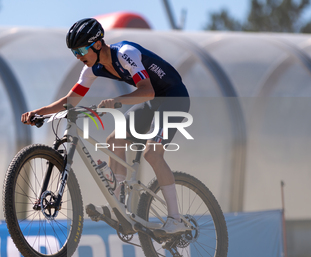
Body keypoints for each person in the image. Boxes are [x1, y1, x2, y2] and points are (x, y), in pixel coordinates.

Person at [21, 18, 190, 236]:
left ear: (98, 44)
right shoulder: (93, 68)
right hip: (154, 100)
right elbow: (70, 101)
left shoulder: (125, 53)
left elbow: (146, 90)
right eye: (74, 53)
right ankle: (119, 207)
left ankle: (176, 219)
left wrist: (116, 101)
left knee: (152, 153)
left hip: (174, 98)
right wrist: (38, 112)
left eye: (81, 50)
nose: (79, 57)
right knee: (113, 140)